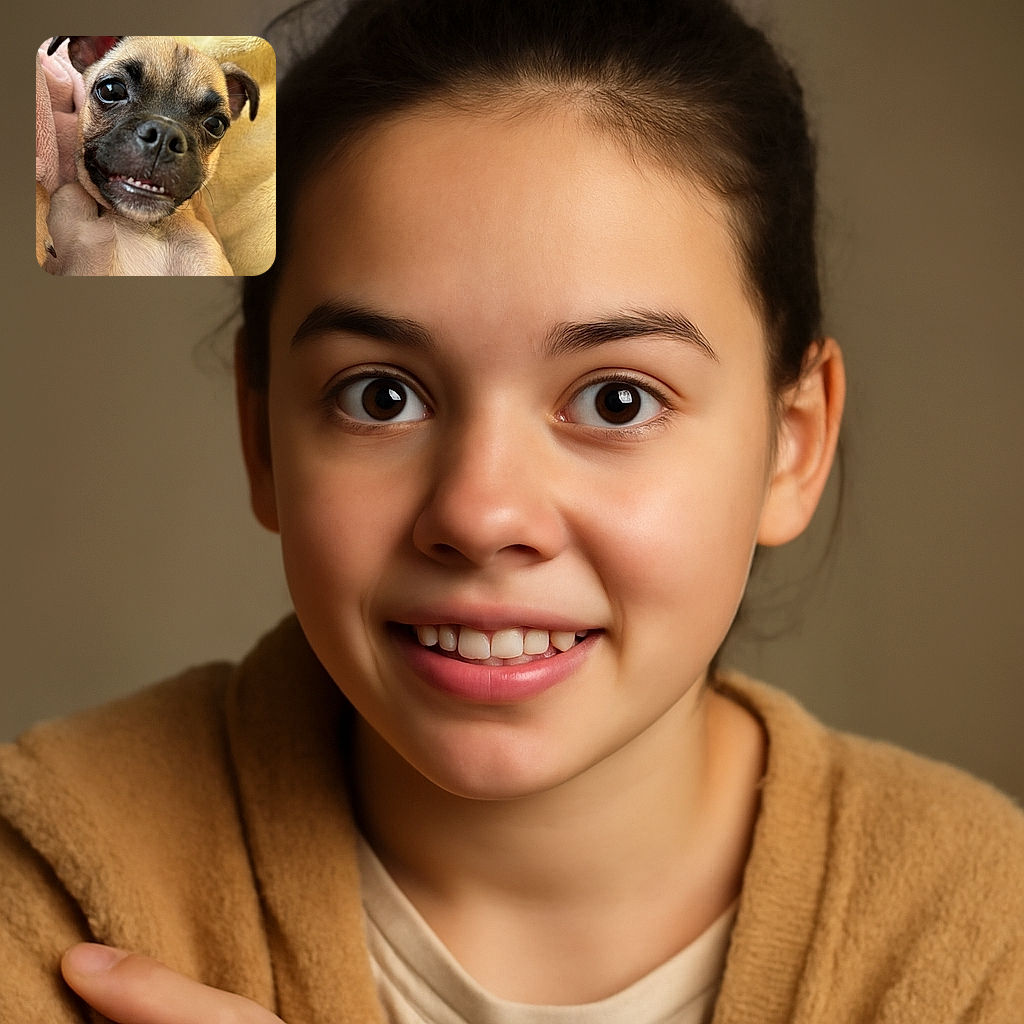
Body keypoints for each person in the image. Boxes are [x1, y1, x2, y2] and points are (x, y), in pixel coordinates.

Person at [2, 0, 1021, 1020]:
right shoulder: (56, 879)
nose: (481, 514)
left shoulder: (982, 932)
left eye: (616, 399)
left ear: (790, 445)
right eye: (380, 395)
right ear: (262, 435)